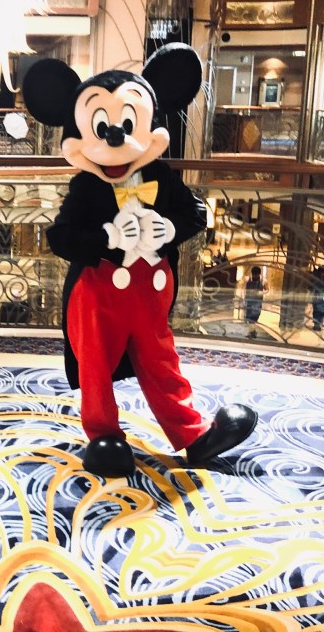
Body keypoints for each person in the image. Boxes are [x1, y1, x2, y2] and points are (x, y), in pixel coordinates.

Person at [21, 44, 257, 477]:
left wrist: (171, 229)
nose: (116, 137)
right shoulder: (85, 188)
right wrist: (107, 239)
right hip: (98, 297)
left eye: (128, 124)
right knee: (96, 366)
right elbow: (61, 237)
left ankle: (192, 434)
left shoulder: (161, 177)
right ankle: (103, 434)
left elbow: (195, 213)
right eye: (104, 126)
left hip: (150, 293)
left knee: (160, 359)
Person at [244, 265, 267, 336]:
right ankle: (252, 332)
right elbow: (244, 288)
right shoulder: (248, 279)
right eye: (254, 275)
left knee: (254, 317)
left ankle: (251, 332)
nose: (255, 276)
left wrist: (261, 292)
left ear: (259, 274)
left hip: (257, 301)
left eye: (256, 275)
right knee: (248, 317)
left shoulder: (263, 281)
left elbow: (267, 289)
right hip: (249, 300)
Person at [310, 266, 324, 332]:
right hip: (317, 296)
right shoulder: (316, 278)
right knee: (317, 310)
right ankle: (317, 324)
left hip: (320, 296)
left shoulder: (317, 278)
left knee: (320, 311)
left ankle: (318, 324)